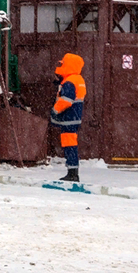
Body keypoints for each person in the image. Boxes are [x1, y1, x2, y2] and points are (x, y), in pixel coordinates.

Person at [51, 53, 86, 182]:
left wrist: (55, 110)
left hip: (68, 118)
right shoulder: (77, 79)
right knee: (71, 144)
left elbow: (66, 100)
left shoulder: (70, 82)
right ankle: (73, 172)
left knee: (69, 146)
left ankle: (72, 173)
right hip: (75, 117)